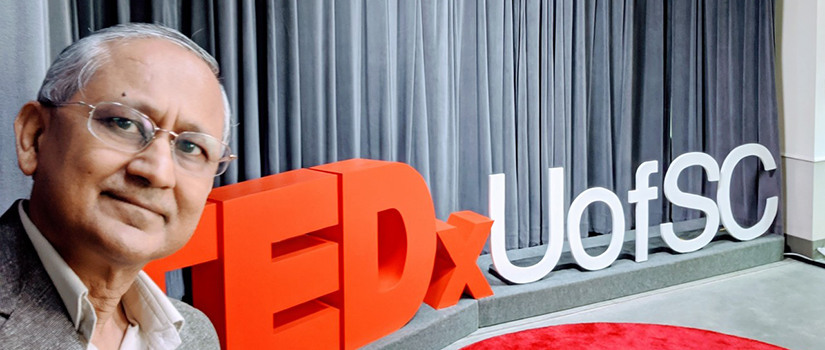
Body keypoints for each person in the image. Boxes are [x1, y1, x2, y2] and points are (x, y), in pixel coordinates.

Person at [0, 23, 234, 349]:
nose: (158, 172)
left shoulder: (193, 334)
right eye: (123, 123)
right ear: (34, 136)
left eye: (192, 148)